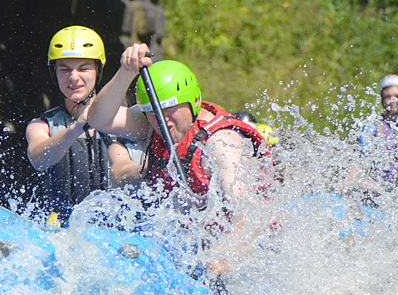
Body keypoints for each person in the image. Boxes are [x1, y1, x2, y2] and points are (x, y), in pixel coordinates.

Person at [84, 44, 271, 273]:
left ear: (193, 101)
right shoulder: (153, 123)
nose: (164, 120)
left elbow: (248, 212)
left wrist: (223, 259)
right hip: (194, 240)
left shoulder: (222, 143)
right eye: (153, 112)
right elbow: (97, 118)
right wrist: (125, 72)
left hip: (253, 246)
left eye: (170, 109)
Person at [24, 26, 144, 222]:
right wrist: (74, 129)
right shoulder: (41, 124)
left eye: (83, 68)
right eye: (64, 69)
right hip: (62, 232)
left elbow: (123, 168)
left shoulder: (125, 121)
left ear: (98, 70)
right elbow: (39, 159)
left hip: (119, 235)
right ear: (54, 72)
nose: (73, 77)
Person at [355, 74, 398, 146]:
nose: (392, 100)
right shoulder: (372, 125)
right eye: (387, 96)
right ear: (381, 99)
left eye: (397, 96)